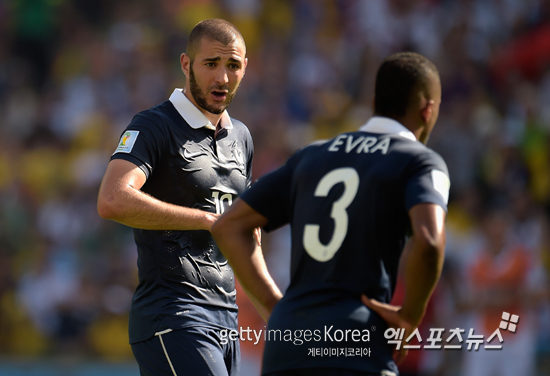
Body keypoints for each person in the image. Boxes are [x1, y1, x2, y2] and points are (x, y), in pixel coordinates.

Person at [212, 52, 449, 376]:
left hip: (288, 345)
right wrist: (409, 317)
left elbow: (228, 226)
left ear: (375, 101)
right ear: (428, 109)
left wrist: (275, 308)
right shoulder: (419, 161)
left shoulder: (312, 155)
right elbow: (430, 241)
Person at [97, 18, 259, 376]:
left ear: (244, 67)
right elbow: (112, 198)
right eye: (211, 64)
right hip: (172, 315)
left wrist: (278, 307)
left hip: (227, 320)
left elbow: (247, 236)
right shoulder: (153, 125)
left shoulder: (242, 137)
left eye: (232, 65)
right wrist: (204, 220)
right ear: (186, 64)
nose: (222, 77)